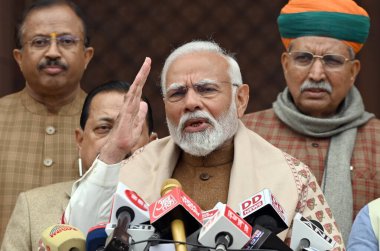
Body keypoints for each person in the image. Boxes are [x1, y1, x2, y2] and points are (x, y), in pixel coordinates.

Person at [65, 41, 345, 250]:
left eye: (206, 89)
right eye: (177, 93)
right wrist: (114, 150)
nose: (191, 103)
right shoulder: (133, 168)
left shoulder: (292, 177)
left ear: (241, 99)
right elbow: (76, 232)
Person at [241, 0, 379, 243]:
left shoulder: (377, 139)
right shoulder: (246, 133)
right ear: (285, 64)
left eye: (332, 60)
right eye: (304, 58)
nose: (316, 74)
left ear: (354, 71)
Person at [0, 80, 157, 251]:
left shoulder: (169, 210)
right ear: (80, 140)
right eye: (104, 127)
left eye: (131, 128)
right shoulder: (32, 206)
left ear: (151, 144)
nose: (117, 140)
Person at [0, 0, 94, 242]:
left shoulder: (106, 126)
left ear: (86, 56)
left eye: (66, 41)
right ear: (19, 58)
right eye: (40, 42)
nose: (53, 52)